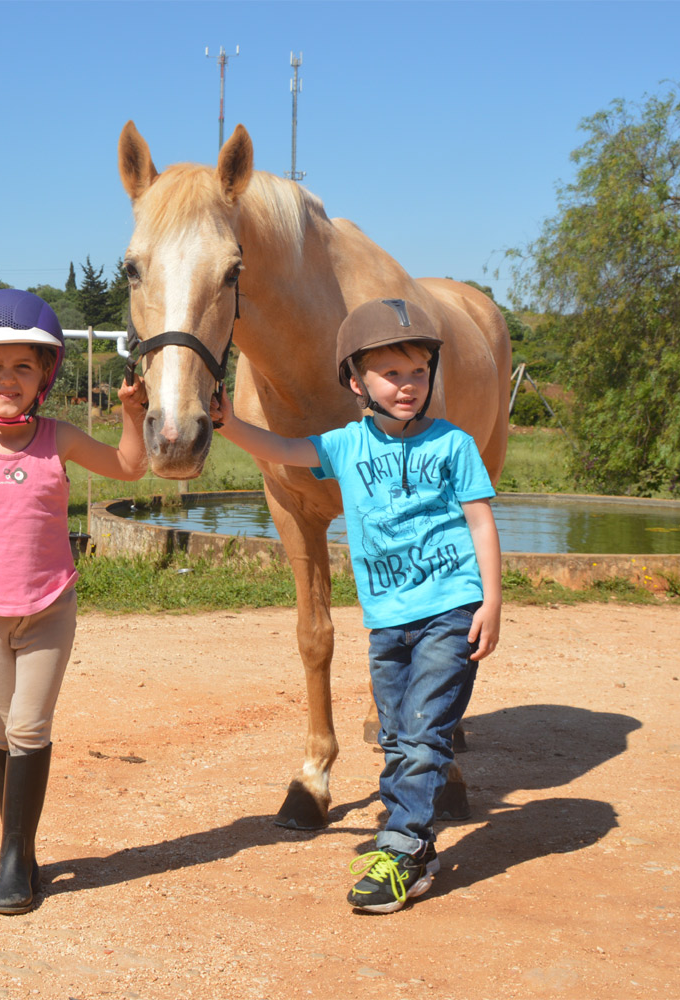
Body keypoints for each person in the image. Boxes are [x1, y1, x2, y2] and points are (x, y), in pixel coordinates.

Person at [210, 297, 501, 914]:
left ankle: (403, 848)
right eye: (391, 373)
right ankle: (410, 838)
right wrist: (226, 423)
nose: (407, 385)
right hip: (387, 620)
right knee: (397, 734)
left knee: (422, 734)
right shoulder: (346, 445)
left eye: (419, 372)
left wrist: (492, 599)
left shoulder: (454, 445)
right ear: (355, 381)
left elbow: (480, 521)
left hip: (450, 607)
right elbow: (283, 450)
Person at [0, 288, 148, 915]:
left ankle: (14, 858)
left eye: (24, 365)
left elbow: (129, 467)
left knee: (27, 727)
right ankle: (19, 841)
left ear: (45, 374)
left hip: (49, 608)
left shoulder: (59, 439)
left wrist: (132, 414)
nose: (8, 379)